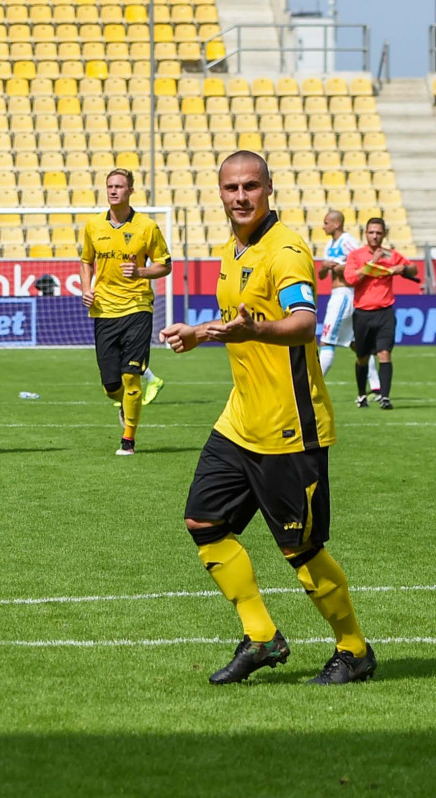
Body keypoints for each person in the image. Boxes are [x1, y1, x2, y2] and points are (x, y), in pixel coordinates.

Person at [160, 151, 374, 686]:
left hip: (289, 426)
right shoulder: (231, 251)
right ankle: (261, 637)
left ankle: (354, 650)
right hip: (240, 420)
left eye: (251, 186)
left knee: (300, 549)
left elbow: (303, 323)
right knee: (204, 522)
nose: (241, 196)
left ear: (269, 189)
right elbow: (238, 320)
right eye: (231, 187)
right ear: (220, 191)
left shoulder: (287, 250)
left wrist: (255, 331)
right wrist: (199, 333)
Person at [79, 169, 173, 455]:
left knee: (131, 376)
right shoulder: (93, 226)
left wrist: (141, 272)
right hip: (104, 309)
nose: (113, 190)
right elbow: (86, 261)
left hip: (137, 307)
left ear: (131, 190)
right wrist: (86, 288)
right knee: (110, 385)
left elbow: (165, 265)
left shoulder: (147, 227)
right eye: (110, 186)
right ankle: (124, 403)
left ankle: (128, 439)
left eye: (119, 186)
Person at [344, 218, 418, 411]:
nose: (375, 236)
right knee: (362, 357)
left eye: (378, 232)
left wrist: (403, 269)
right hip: (362, 314)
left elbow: (413, 269)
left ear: (384, 234)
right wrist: (373, 262)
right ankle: (362, 394)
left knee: (384, 354)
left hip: (385, 313)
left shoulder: (391, 254)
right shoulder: (356, 255)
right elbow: (351, 279)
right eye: (371, 232)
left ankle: (385, 397)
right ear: (365, 234)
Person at [317, 211, 379, 397]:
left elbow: (363, 261)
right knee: (356, 344)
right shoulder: (329, 245)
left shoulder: (347, 241)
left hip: (345, 295)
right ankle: (376, 386)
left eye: (326, 223)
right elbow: (322, 276)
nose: (323, 226)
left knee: (326, 340)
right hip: (336, 293)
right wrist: (324, 267)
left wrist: (341, 267)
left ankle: (313, 386)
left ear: (337, 224)